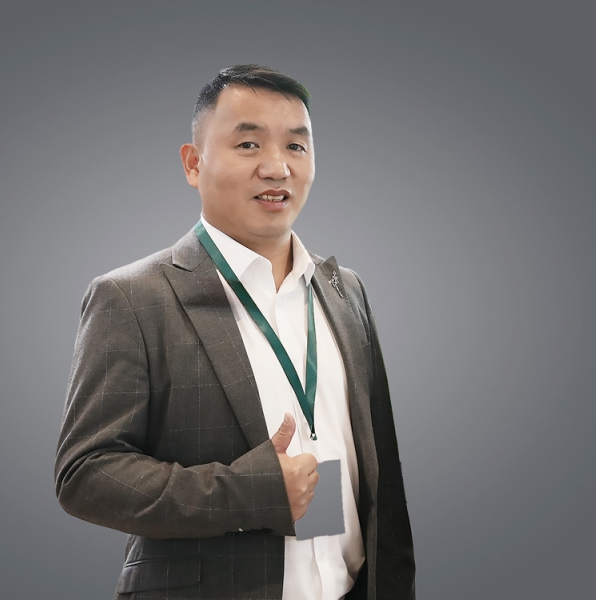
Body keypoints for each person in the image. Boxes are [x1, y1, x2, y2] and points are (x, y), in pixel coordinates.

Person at [54, 64, 415, 600]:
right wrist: (250, 493)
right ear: (194, 163)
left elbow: (383, 478)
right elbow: (85, 475)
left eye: (296, 146)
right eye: (248, 144)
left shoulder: (346, 290)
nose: (277, 167)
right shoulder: (132, 298)